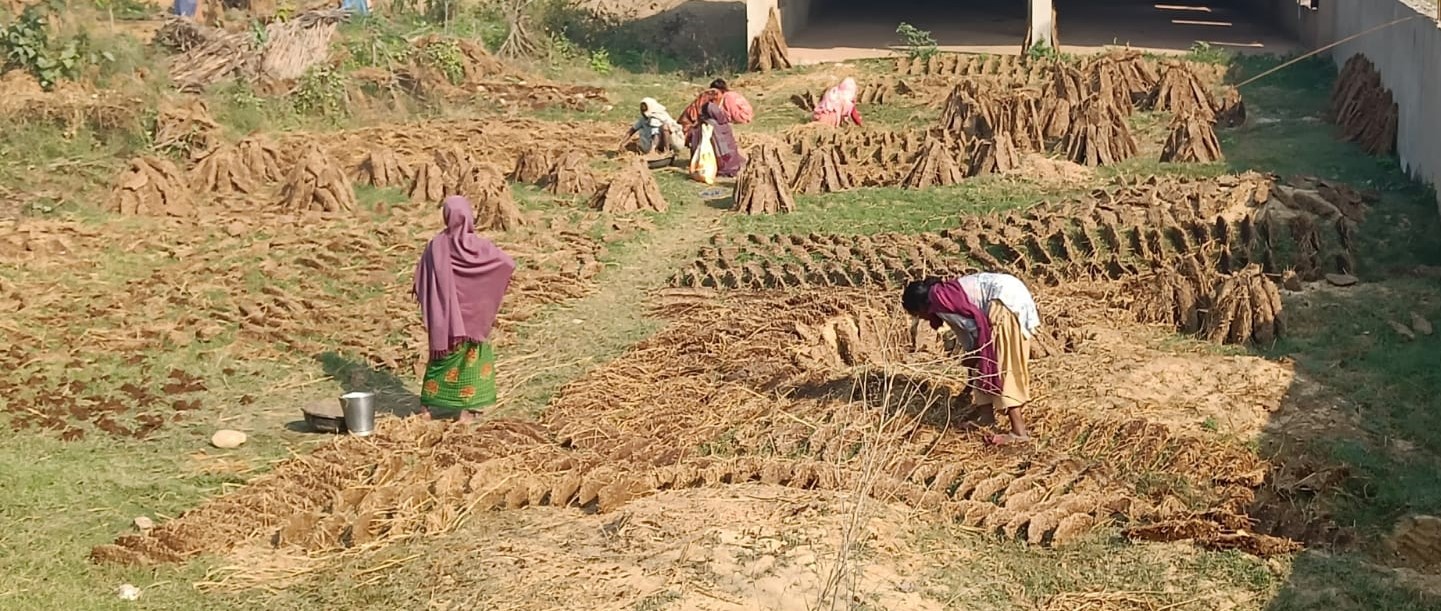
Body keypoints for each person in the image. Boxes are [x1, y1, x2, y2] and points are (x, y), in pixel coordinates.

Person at [901, 273, 1041, 446]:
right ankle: (986, 418)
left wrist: (974, 356)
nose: (920, 319)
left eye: (917, 315)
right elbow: (968, 341)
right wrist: (971, 365)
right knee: (982, 363)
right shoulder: (942, 298)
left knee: (1003, 368)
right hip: (1008, 295)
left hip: (1004, 303)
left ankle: (1019, 432)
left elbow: (977, 331)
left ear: (921, 307)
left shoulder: (941, 303)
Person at [413, 196, 515, 424]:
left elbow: (421, 279)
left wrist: (435, 306)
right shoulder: (479, 247)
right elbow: (507, 264)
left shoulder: (436, 246)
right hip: (473, 320)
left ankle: (426, 409)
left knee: (440, 360)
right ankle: (464, 413)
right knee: (470, 362)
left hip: (445, 320)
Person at [680, 87, 745, 179]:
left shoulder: (708, 125)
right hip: (733, 161)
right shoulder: (723, 122)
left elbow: (717, 147)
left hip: (723, 162)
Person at [620, 97, 684, 155]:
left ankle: (666, 151)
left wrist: (652, 151)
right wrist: (622, 143)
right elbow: (632, 130)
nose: (642, 113)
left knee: (664, 127)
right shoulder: (643, 119)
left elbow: (655, 136)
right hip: (649, 143)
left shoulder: (657, 117)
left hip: (664, 142)